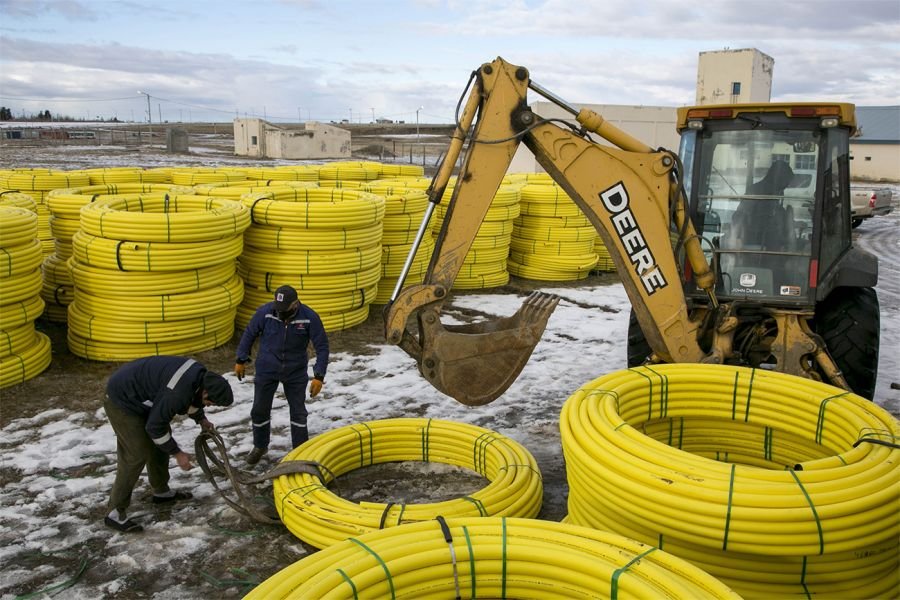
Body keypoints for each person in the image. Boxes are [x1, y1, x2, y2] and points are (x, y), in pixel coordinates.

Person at [103, 356, 234, 533]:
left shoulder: (198, 378)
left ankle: (161, 492)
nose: (210, 406)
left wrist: (201, 419)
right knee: (136, 453)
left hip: (143, 396)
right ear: (205, 393)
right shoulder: (176, 393)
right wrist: (178, 453)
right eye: (211, 403)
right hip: (122, 400)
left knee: (161, 443)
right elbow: (155, 428)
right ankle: (114, 512)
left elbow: (192, 399)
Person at [234, 285, 329, 465]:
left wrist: (319, 376)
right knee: (259, 410)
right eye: (278, 309)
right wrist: (241, 358)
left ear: (295, 304)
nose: (280, 313)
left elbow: (322, 346)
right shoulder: (265, 312)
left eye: (284, 310)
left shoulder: (309, 317)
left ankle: (300, 452)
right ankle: (260, 446)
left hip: (295, 371)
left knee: (298, 413)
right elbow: (249, 333)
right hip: (267, 369)